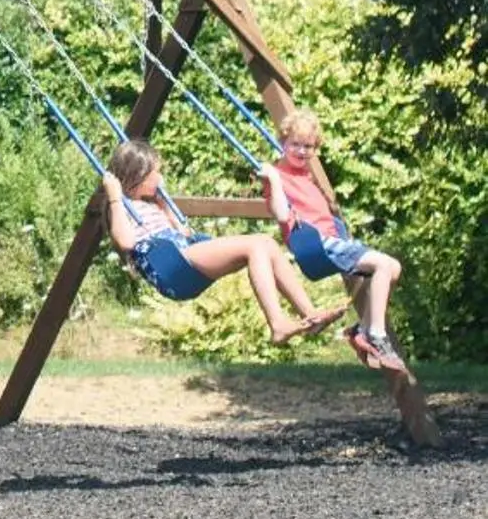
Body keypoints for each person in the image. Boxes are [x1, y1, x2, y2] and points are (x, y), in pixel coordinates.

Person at [100, 139, 344, 344]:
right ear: (138, 176)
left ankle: (310, 314)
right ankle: (278, 324)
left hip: (184, 255)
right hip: (172, 264)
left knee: (266, 243)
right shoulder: (121, 207)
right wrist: (114, 197)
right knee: (255, 244)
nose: (161, 177)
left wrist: (164, 204)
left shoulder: (153, 204)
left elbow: (183, 232)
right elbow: (126, 242)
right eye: (156, 173)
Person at [261, 109, 407, 374]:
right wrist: (272, 178)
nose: (301, 151)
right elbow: (281, 214)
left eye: (308, 146)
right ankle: (376, 335)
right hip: (316, 243)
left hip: (332, 239)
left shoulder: (305, 174)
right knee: (384, 265)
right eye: (295, 144)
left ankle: (362, 330)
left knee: (393, 268)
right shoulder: (277, 175)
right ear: (283, 142)